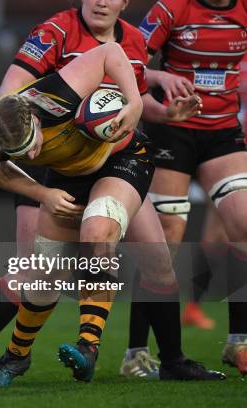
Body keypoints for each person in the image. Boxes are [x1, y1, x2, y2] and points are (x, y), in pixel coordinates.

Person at [0, 38, 225, 386]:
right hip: (66, 177)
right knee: (42, 275)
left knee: (105, 234)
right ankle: (14, 357)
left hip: (123, 159)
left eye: (29, 144)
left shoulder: (78, 79)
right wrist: (42, 193)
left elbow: (115, 56)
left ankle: (95, 347)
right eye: (20, 153)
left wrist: (139, 108)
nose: (30, 156)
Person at [138, 0, 247, 377]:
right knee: (163, 239)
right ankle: (136, 352)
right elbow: (128, 59)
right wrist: (160, 78)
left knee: (244, 223)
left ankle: (239, 343)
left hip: (223, 133)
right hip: (173, 127)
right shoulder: (171, 8)